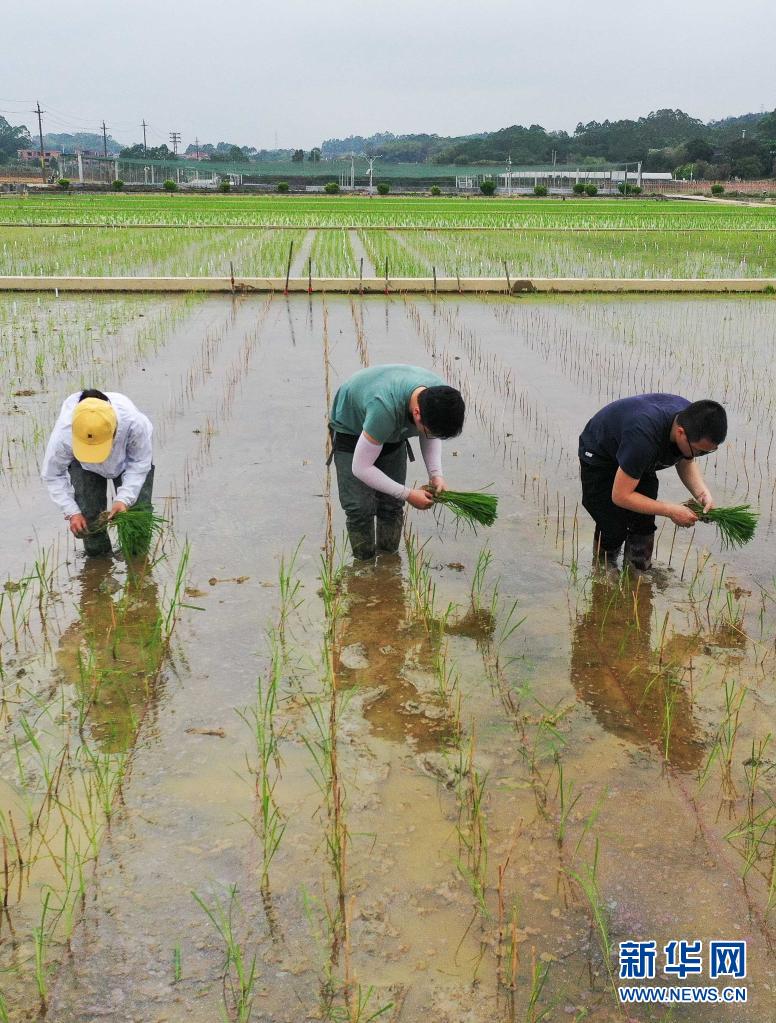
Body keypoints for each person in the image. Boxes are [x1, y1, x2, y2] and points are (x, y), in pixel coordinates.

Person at [329, 364, 465, 560]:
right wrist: (408, 494)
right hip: (351, 428)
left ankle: (388, 564)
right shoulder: (384, 407)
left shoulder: (439, 398)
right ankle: (364, 567)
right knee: (359, 508)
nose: (430, 435)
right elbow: (361, 467)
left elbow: (430, 435)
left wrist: (436, 475)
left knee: (392, 504)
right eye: (427, 430)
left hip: (390, 427)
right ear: (417, 413)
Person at [579, 394, 727, 570]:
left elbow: (686, 460)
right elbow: (621, 496)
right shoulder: (643, 438)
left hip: (637, 456)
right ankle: (603, 569)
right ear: (680, 433)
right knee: (613, 527)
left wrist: (702, 494)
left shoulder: (693, 423)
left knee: (643, 524)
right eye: (699, 451)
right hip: (601, 454)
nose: (698, 456)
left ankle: (637, 572)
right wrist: (671, 511)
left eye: (706, 453)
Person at [41, 389, 154, 557]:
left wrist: (123, 499)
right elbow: (52, 475)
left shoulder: (134, 424)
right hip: (83, 465)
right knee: (89, 520)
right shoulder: (64, 435)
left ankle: (137, 562)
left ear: (115, 429)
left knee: (137, 518)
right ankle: (99, 563)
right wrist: (72, 511)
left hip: (127, 461)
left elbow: (139, 463)